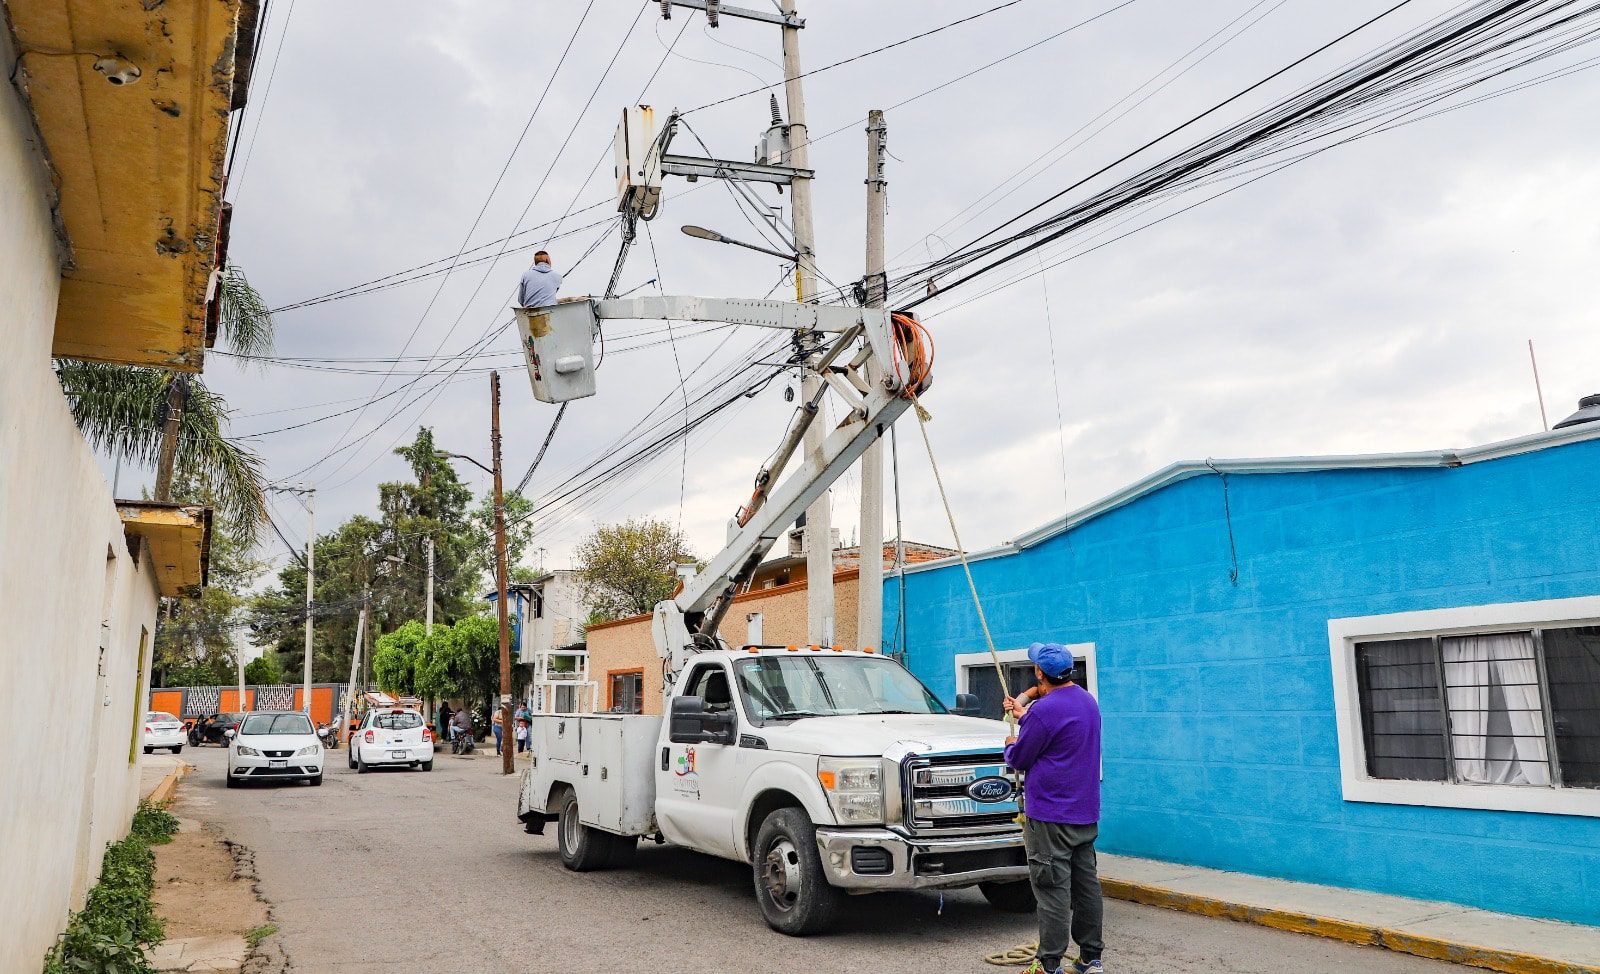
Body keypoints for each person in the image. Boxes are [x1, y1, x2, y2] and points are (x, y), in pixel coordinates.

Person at [1003, 642, 1104, 974]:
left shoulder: (1044, 712)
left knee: (1052, 890)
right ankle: (1090, 959)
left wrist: (1011, 741)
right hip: (1085, 814)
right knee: (1086, 886)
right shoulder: (1087, 702)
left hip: (1050, 817)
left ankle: (1048, 965)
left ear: (1039, 672)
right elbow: (1057, 733)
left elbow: (1019, 758)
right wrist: (1025, 708)